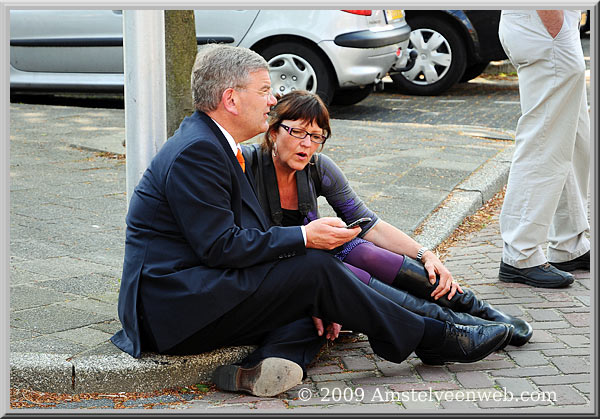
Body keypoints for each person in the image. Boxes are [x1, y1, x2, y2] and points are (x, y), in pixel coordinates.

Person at [111, 44, 511, 398]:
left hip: (195, 294)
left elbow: (247, 240)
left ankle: (265, 365)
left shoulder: (212, 143)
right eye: (265, 90)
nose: (273, 100)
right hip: (171, 311)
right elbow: (222, 247)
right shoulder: (199, 151)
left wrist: (300, 260)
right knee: (316, 270)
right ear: (231, 99)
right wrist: (304, 236)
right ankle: (433, 338)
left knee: (312, 294)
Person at [242, 90, 532, 347]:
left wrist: (426, 253)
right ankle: (453, 326)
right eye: (297, 132)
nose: (307, 144)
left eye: (316, 136)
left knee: (366, 252)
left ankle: (478, 310)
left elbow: (368, 223)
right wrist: (316, 298)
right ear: (273, 132)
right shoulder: (246, 167)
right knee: (356, 276)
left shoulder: (318, 167)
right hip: (289, 269)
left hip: (320, 258)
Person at [497, 10, 590, 288]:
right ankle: (520, 254)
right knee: (543, 141)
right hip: (546, 25)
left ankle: (570, 244)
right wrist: (556, 28)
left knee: (573, 139)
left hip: (554, 25)